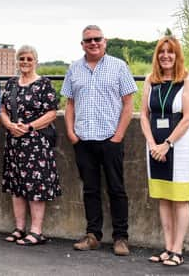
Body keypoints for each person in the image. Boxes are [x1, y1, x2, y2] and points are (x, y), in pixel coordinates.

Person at [61, 25, 138, 256]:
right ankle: (93, 235)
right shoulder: (74, 69)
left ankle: (121, 238)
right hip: (84, 139)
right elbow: (69, 105)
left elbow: (128, 104)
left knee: (116, 189)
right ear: (82, 44)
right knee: (91, 189)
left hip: (110, 138)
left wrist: (118, 136)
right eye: (88, 40)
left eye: (97, 39)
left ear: (105, 41)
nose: (93, 43)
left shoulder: (119, 66)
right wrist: (72, 134)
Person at [140, 36, 189, 267]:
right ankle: (167, 246)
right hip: (154, 146)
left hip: (179, 146)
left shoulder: (187, 80)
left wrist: (167, 144)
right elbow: (144, 114)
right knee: (163, 197)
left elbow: (188, 117)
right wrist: (153, 144)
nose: (165, 56)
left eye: (170, 52)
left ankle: (178, 250)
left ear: (177, 55)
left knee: (179, 198)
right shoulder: (150, 80)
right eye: (162, 52)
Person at [0, 45, 61, 246]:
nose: (25, 62)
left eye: (29, 58)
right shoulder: (10, 84)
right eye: (22, 58)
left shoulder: (44, 84)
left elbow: (52, 112)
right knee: (17, 186)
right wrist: (9, 125)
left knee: (36, 186)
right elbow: (2, 109)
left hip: (36, 142)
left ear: (35, 61)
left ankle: (36, 231)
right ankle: (19, 228)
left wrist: (28, 127)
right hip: (14, 141)